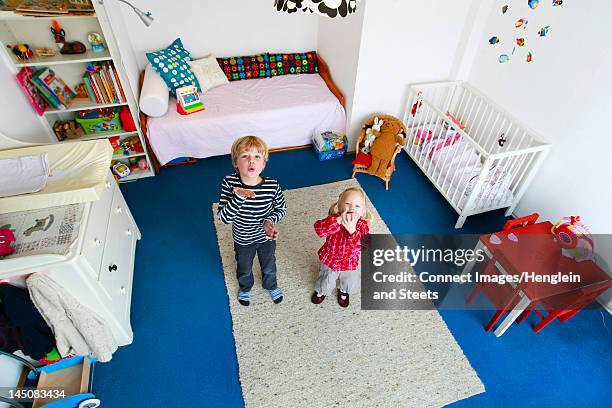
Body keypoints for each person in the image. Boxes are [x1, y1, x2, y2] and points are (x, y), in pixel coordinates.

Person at [217, 136, 287, 306]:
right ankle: (245, 288)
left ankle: (271, 285)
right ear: (235, 162)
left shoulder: (272, 185)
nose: (251, 161)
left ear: (263, 164)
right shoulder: (229, 182)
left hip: (265, 238)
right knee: (244, 267)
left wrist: (269, 222)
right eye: (245, 156)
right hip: (242, 239)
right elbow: (224, 217)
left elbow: (282, 208)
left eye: (257, 156)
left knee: (269, 265)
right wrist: (239, 197)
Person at [312, 187, 370, 307]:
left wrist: (353, 232)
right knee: (326, 279)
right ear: (339, 206)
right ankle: (321, 291)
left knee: (349, 281)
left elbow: (364, 246)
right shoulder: (333, 220)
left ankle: (343, 292)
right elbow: (319, 230)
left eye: (357, 206)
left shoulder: (362, 226)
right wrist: (338, 220)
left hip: (350, 262)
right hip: (330, 260)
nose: (352, 208)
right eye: (348, 204)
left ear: (363, 212)